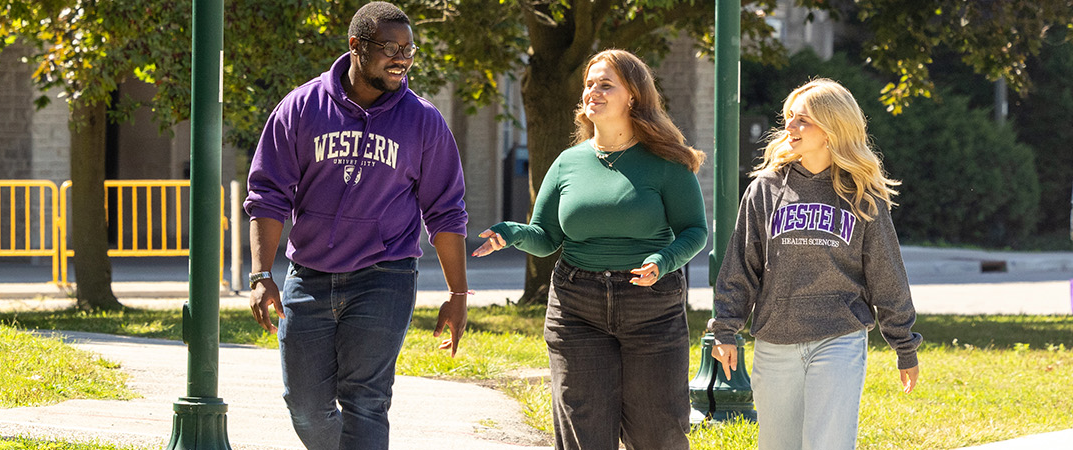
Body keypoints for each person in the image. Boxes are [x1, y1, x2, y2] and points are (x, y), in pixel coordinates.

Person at [242, 2, 471, 448]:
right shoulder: (302, 107)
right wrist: (260, 273)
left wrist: (458, 294)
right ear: (355, 46)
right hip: (308, 278)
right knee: (306, 407)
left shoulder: (423, 121)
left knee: (366, 401)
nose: (401, 58)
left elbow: (445, 210)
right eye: (390, 47)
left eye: (409, 49)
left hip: (385, 277)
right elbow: (268, 194)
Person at [471, 49, 708, 450]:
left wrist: (663, 260)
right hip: (576, 307)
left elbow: (695, 231)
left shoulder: (667, 162)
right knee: (583, 435)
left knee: (658, 434)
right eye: (589, 84)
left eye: (605, 84)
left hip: (650, 306)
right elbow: (545, 238)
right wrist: (511, 233)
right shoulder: (568, 163)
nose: (592, 92)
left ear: (632, 95)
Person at [708, 78, 921, 450]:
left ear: (831, 129)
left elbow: (886, 274)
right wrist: (726, 328)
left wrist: (903, 344)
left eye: (802, 120)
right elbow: (741, 264)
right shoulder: (766, 188)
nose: (789, 127)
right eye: (789, 118)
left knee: (829, 444)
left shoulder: (862, 195)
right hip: (775, 340)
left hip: (838, 337)